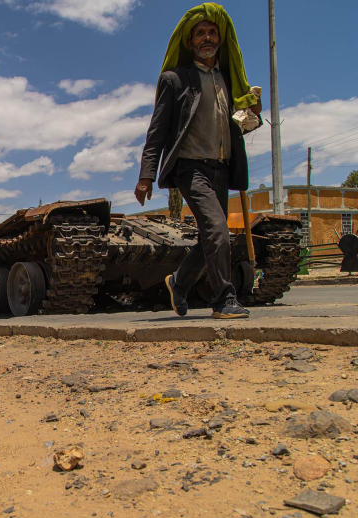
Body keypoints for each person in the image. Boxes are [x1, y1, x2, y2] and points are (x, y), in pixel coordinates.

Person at [134, 2, 261, 319]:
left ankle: (178, 284)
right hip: (191, 169)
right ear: (190, 43)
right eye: (200, 33)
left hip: (221, 168)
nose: (207, 38)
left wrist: (252, 114)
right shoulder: (175, 79)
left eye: (212, 32)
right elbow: (157, 131)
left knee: (210, 239)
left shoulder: (229, 81)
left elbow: (240, 126)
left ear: (220, 39)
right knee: (218, 230)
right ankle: (224, 300)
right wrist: (146, 175)